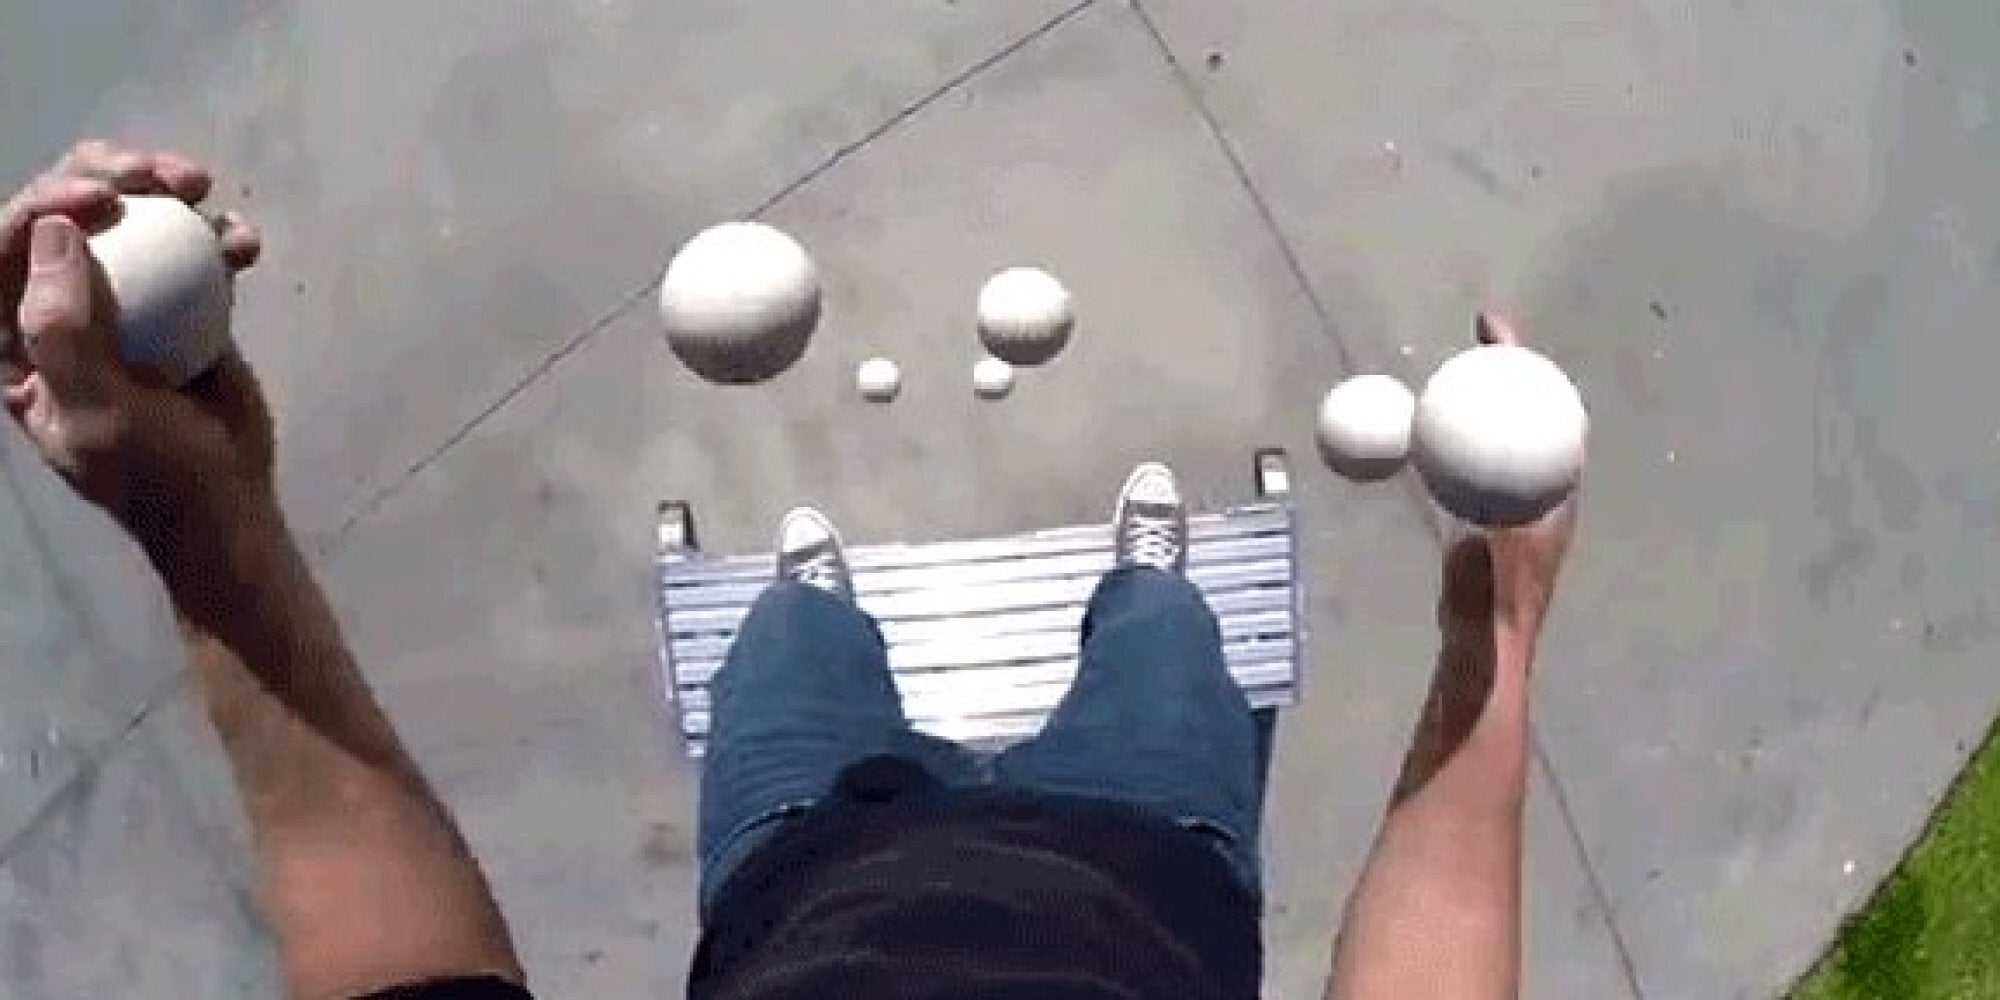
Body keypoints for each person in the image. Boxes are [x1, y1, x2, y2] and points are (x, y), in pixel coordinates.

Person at [3, 141, 1578, 1000]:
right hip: (1152, 846)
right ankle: (1132, 578)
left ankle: (819, 599)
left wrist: (203, 522)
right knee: (1166, 618)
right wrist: (1496, 627)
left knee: (784, 632)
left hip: (800, 852)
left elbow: (405, 983)